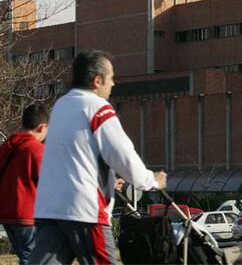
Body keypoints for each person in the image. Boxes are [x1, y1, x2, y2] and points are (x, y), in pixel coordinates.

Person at [29, 49, 167, 264]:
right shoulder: (98, 109)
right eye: (111, 78)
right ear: (97, 81)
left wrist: (110, 180)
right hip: (85, 210)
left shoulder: (60, 106)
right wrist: (152, 181)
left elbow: (74, 157)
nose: (113, 84)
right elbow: (123, 154)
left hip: (50, 207)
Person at [0, 104, 49, 265]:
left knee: (25, 256)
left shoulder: (8, 147)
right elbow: (47, 182)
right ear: (42, 127)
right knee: (32, 258)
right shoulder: (37, 150)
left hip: (7, 214)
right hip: (27, 214)